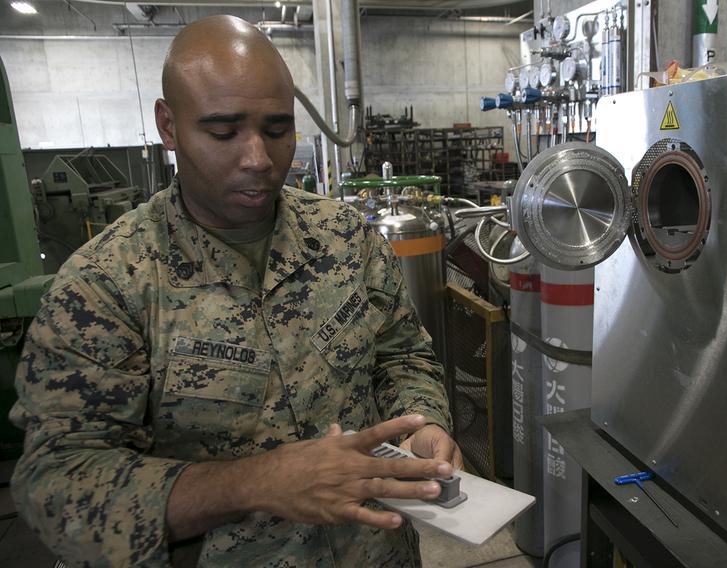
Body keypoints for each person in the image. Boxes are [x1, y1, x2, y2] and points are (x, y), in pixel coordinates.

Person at [10, 15, 461, 567]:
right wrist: (251, 484)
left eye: (277, 129)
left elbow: (402, 356)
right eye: (223, 132)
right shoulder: (106, 285)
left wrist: (423, 424)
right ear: (168, 126)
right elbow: (59, 482)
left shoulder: (346, 238)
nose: (258, 158)